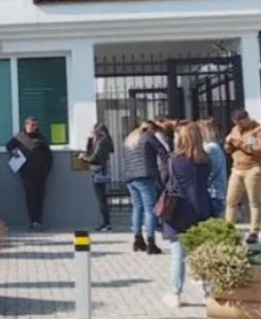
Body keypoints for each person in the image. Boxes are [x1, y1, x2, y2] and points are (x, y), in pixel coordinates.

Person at [161, 121, 211, 308]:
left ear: (181, 138)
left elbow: (163, 180)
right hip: (201, 208)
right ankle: (207, 292)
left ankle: (175, 293)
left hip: (179, 209)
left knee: (178, 254)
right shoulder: (205, 160)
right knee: (200, 253)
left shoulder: (173, 160)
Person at [224, 109, 261, 245]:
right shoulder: (235, 130)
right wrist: (228, 144)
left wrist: (240, 144)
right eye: (236, 123)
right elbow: (229, 149)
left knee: (254, 201)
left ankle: (253, 232)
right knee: (231, 201)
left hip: (253, 169)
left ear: (246, 118)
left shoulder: (260, 130)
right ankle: (228, 231)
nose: (238, 126)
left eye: (240, 122)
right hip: (237, 169)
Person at [123, 121, 164, 254]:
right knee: (149, 209)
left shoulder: (130, 138)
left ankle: (138, 240)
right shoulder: (148, 136)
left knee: (137, 208)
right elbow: (162, 151)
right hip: (145, 176)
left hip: (130, 177)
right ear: (150, 129)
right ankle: (151, 243)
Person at [6, 117, 54, 231]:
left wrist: (47, 169)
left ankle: (39, 221)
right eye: (32, 125)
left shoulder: (41, 137)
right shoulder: (20, 137)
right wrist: (16, 154)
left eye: (35, 125)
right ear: (26, 125)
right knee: (31, 197)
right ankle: (33, 221)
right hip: (27, 173)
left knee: (40, 197)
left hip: (41, 173)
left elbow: (49, 155)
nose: (34, 127)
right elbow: (9, 146)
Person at [82, 123, 114, 232]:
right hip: (100, 170)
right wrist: (89, 141)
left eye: (94, 130)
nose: (92, 132)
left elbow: (94, 157)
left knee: (101, 198)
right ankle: (106, 222)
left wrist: (84, 158)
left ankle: (106, 223)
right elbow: (90, 151)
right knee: (102, 198)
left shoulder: (102, 142)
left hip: (98, 171)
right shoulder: (102, 141)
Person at [198, 117, 228, 219]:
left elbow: (211, 171)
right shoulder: (213, 146)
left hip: (213, 192)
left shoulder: (210, 148)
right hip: (214, 192)